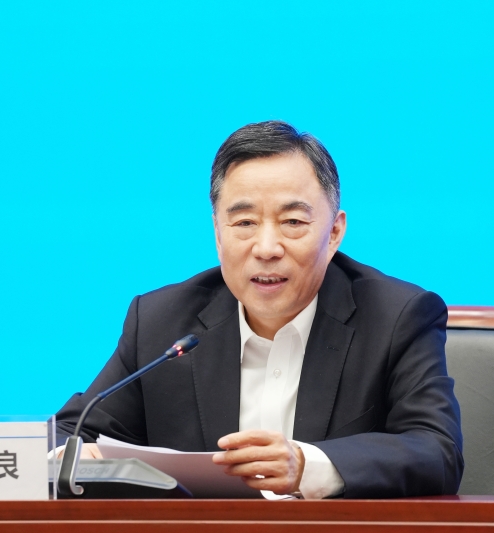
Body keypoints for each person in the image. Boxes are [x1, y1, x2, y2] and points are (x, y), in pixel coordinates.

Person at [56, 120, 463, 499]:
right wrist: (77, 460)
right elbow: (69, 433)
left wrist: (307, 466)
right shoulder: (161, 322)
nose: (267, 248)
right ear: (218, 234)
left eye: (293, 222)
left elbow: (436, 451)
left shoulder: (397, 316)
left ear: (334, 232)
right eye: (245, 223)